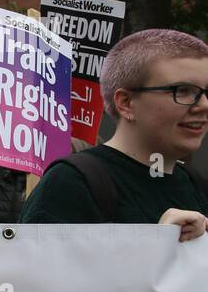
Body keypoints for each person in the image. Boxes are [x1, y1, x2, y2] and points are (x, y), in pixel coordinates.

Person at [21, 29, 208, 240]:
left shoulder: (197, 186)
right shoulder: (71, 183)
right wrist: (156, 245)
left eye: (206, 92)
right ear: (126, 103)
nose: (203, 105)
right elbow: (33, 272)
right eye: (183, 91)